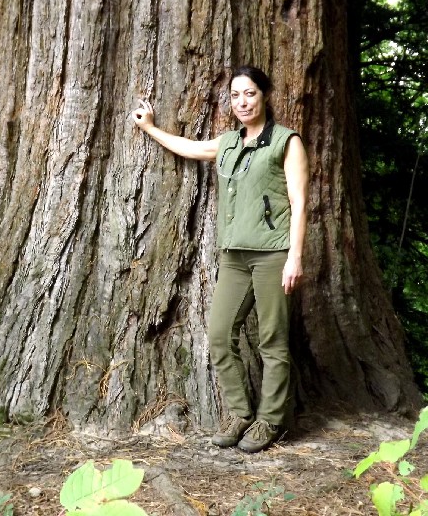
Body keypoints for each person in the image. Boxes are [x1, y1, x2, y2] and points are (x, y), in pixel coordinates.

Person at [129, 66, 309, 453]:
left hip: (273, 254)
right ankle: (241, 413)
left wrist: (295, 257)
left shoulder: (286, 142)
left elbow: (299, 203)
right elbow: (191, 148)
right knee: (219, 335)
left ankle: (270, 421)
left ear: (264, 95)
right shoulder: (228, 142)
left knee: (272, 340)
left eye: (250, 94)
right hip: (234, 256)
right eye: (235, 96)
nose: (242, 102)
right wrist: (149, 128)